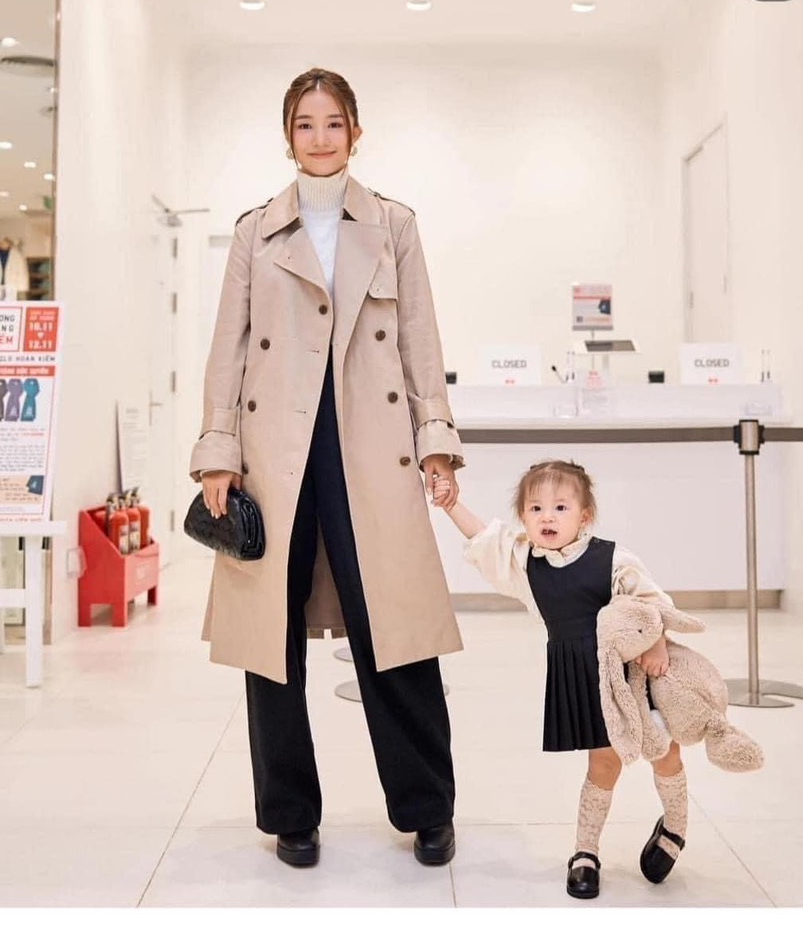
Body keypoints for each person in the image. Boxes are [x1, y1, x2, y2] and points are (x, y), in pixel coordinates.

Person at [190, 68, 464, 868]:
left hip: (370, 450)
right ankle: (290, 815)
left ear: (356, 133)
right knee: (270, 643)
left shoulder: (394, 224)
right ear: (288, 137)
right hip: (274, 455)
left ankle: (428, 807)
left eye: (333, 123)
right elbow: (227, 349)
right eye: (305, 124)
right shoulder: (255, 232)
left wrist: (436, 437)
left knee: (395, 631)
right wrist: (218, 451)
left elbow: (419, 338)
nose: (319, 137)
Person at [433, 460, 688, 899]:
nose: (546, 516)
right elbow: (485, 539)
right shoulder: (525, 563)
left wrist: (657, 644)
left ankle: (676, 826)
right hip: (586, 681)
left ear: (584, 516)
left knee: (665, 752)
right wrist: (451, 504)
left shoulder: (613, 560)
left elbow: (653, 602)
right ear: (523, 518)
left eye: (560, 507)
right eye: (535, 508)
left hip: (632, 674)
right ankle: (585, 851)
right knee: (602, 764)